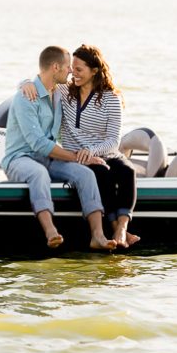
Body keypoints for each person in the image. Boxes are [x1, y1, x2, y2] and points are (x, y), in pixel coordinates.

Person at [22, 44, 140, 248]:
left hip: (106, 152)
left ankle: (121, 228)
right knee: (101, 174)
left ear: (94, 71)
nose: (72, 74)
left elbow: (114, 141)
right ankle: (115, 230)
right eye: (72, 68)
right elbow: (42, 80)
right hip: (76, 156)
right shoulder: (64, 91)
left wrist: (92, 150)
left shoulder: (111, 99)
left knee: (127, 171)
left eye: (78, 69)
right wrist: (24, 83)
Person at [2, 46, 117, 251]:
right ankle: (50, 231)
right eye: (67, 67)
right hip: (19, 159)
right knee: (39, 174)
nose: (71, 72)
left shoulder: (58, 93)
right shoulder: (25, 97)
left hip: (48, 158)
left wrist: (85, 158)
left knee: (85, 174)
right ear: (55, 67)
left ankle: (97, 236)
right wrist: (75, 156)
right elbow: (37, 143)